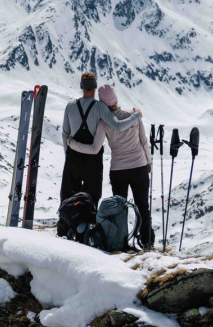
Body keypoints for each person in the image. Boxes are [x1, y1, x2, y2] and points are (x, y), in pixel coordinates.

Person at [66, 83, 153, 248]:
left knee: (119, 210)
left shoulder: (104, 123)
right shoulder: (134, 115)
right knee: (143, 207)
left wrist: (72, 144)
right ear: (116, 99)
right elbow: (144, 142)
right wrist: (148, 162)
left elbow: (93, 149)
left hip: (118, 170)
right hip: (139, 166)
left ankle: (120, 243)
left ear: (102, 103)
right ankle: (147, 244)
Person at [60, 72, 142, 215]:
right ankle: (85, 231)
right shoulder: (100, 107)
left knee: (68, 195)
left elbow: (65, 133)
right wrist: (136, 116)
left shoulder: (70, 105)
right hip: (92, 161)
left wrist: (69, 153)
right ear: (95, 87)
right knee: (91, 198)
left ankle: (64, 227)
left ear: (81, 87)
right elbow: (118, 126)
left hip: (73, 157)